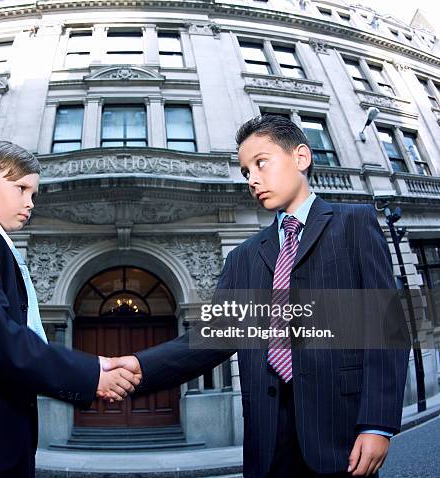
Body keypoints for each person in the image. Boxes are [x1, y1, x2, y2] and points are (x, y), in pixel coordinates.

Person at [103, 116, 409, 478]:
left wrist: (377, 424)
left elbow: (385, 328)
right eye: (245, 170)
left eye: (261, 163)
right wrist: (141, 365)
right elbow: (214, 337)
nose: (251, 179)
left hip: (340, 431)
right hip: (267, 439)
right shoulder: (243, 256)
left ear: (301, 157)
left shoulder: (354, 224)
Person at [0, 141, 140, 478]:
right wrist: (89, 373)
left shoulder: (0, 245)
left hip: (6, 436)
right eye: (21, 188)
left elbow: (19, 337)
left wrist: (89, 367)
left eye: (34, 194)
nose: (29, 203)